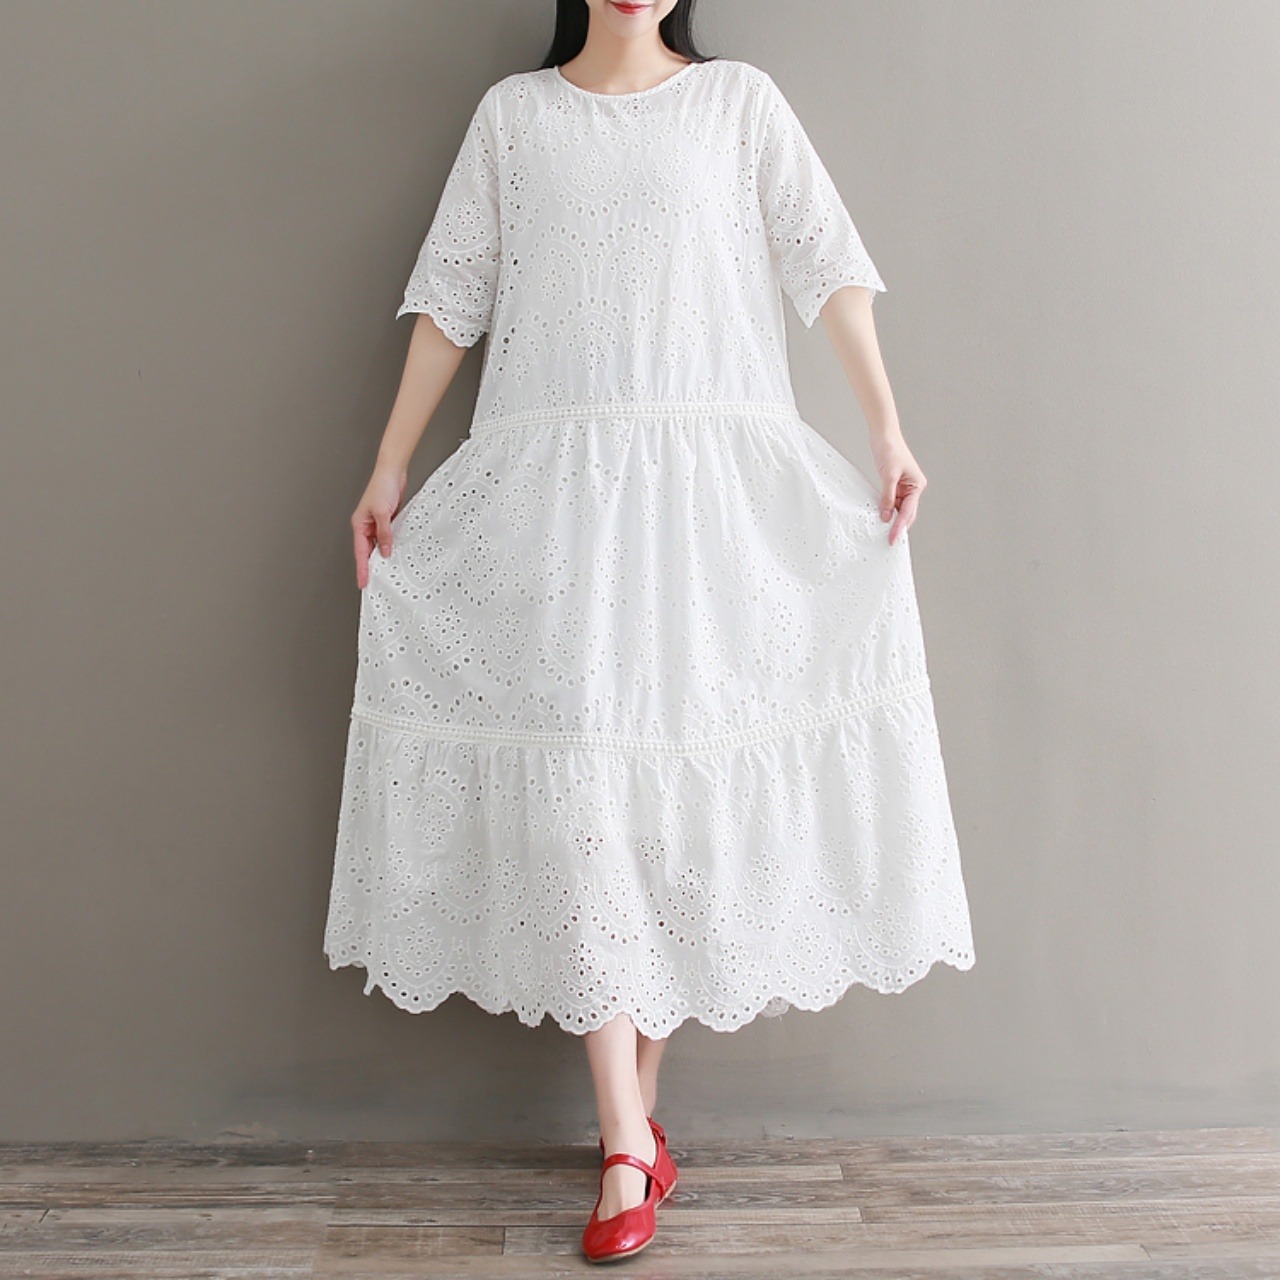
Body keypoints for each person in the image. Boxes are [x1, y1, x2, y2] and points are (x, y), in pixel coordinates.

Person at [323, 0, 976, 1262]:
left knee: (674, 815)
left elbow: (827, 266)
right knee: (583, 795)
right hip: (557, 511)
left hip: (712, 511)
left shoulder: (739, 105)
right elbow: (451, 297)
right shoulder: (514, 120)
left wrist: (886, 430)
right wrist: (390, 463)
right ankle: (625, 1134)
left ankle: (633, 1132)